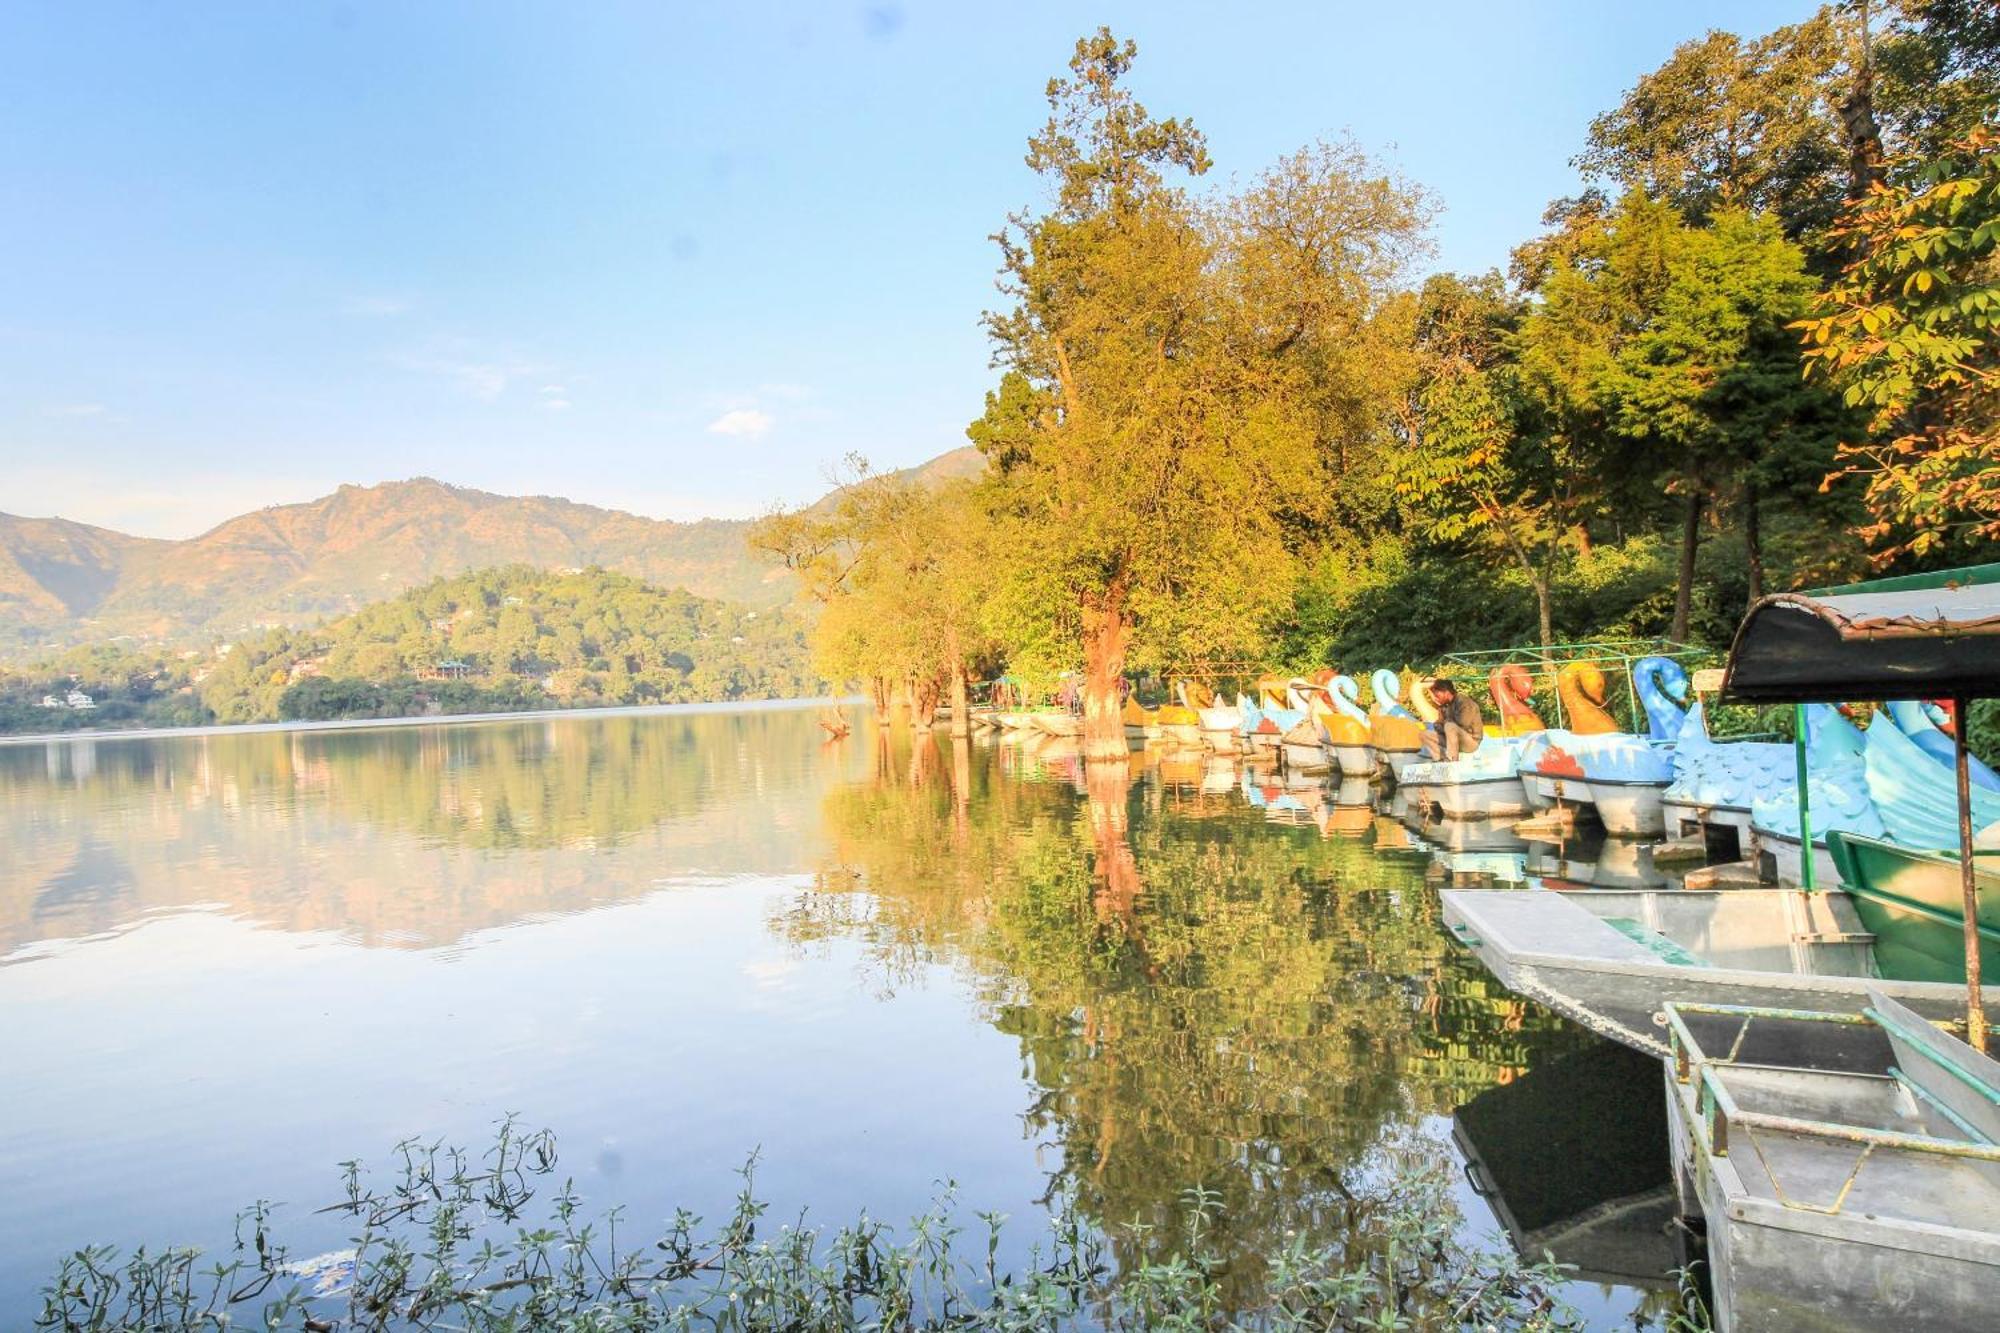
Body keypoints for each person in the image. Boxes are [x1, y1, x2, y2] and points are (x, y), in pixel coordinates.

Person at [1421, 678, 1484, 761]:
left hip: (1470, 742)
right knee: (1424, 734)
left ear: (1446, 693)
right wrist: (1444, 724)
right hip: (1451, 739)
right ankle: (1441, 759)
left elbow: (1462, 725)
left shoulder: (1464, 702)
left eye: (1438, 696)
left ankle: (1453, 759)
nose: (1436, 699)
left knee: (1450, 726)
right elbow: (1437, 725)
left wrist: (1446, 723)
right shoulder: (1444, 706)